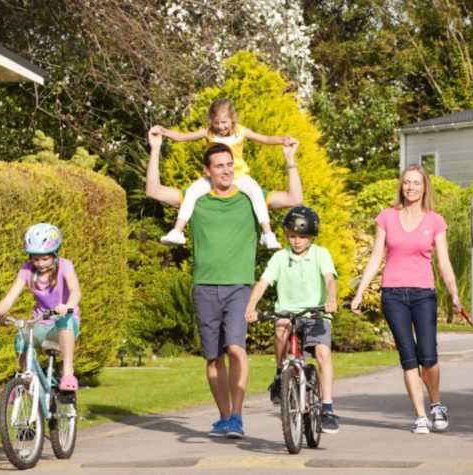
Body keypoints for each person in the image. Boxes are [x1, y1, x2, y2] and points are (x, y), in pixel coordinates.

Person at [145, 126, 302, 438]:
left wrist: (290, 160)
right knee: (213, 358)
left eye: (230, 165)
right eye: (219, 166)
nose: (227, 171)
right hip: (204, 286)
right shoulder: (196, 198)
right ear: (207, 171)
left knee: (235, 347)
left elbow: (295, 198)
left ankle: (238, 417)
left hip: (238, 286)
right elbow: (154, 191)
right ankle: (224, 417)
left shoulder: (248, 197)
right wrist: (155, 149)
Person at [350, 164, 463, 434]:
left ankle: (435, 403)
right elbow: (376, 256)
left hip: (424, 293)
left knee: (428, 355)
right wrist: (360, 291)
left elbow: (444, 262)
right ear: (401, 186)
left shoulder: (435, 221)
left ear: (425, 188)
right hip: (393, 295)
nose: (410, 187)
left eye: (416, 183)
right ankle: (421, 415)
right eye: (406, 182)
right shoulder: (387, 217)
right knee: (408, 358)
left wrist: (455, 294)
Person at [244, 205, 340, 433]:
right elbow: (263, 283)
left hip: (316, 313)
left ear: (311, 237)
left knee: (322, 353)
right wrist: (251, 306)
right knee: (280, 330)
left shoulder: (321, 254)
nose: (296, 241)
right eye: (292, 236)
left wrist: (331, 299)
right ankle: (280, 374)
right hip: (287, 313)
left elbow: (329, 280)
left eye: (302, 237)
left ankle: (327, 408)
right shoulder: (279, 257)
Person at [152, 98, 294, 250]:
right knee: (192, 192)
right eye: (216, 123)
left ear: (232, 119)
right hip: (214, 178)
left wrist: (282, 140)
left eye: (224, 122)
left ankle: (267, 233)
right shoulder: (209, 133)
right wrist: (164, 132)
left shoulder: (241, 131)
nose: (220, 127)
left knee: (256, 193)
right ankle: (177, 231)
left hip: (239, 175)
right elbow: (183, 137)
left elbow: (265, 139)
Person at [0, 223, 82, 392]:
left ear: (55, 254)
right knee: (20, 338)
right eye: (36, 259)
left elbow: (75, 290)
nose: (40, 263)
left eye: (45, 258)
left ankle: (67, 372)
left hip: (65, 321)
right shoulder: (27, 270)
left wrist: (67, 306)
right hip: (40, 322)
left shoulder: (65, 265)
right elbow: (10, 298)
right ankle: (27, 381)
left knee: (63, 322)